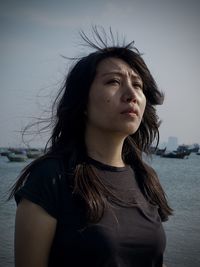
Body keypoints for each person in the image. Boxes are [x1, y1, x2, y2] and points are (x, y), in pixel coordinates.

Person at [9, 28, 172, 267]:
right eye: (114, 81)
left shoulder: (146, 178)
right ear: (82, 101)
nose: (132, 94)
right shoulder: (51, 179)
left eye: (137, 85)